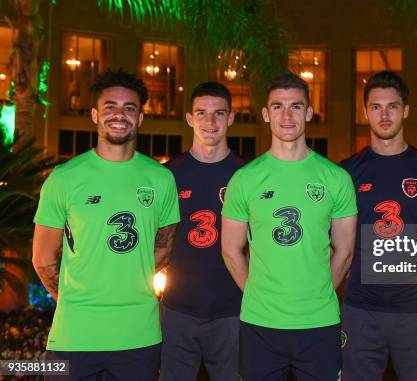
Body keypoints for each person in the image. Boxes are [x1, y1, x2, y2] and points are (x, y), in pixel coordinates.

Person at [32, 68, 180, 380]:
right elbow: (42, 257)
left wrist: (126, 284)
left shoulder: (161, 180)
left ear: (140, 119)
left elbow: (163, 250)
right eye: (110, 106)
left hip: (139, 335)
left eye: (130, 108)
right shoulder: (64, 178)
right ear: (95, 115)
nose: (119, 114)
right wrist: (75, 301)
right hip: (74, 335)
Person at [221, 73, 357, 381]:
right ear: (266, 114)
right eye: (278, 107)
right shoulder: (245, 179)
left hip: (319, 322)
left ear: (309, 113)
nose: (287, 115)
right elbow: (230, 250)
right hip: (260, 324)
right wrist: (259, 294)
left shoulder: (335, 178)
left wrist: (318, 293)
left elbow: (345, 250)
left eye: (296, 107)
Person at [339, 71, 417, 381]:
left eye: (392, 106)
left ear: (406, 110)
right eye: (376, 107)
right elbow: (338, 242)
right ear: (365, 112)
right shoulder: (348, 173)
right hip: (361, 311)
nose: (384, 115)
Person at [160, 82, 244, 381]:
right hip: (177, 311)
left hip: (233, 312)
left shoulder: (247, 175)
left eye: (219, 113)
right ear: (189, 119)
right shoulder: (169, 175)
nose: (210, 122)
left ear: (231, 118)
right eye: (202, 113)